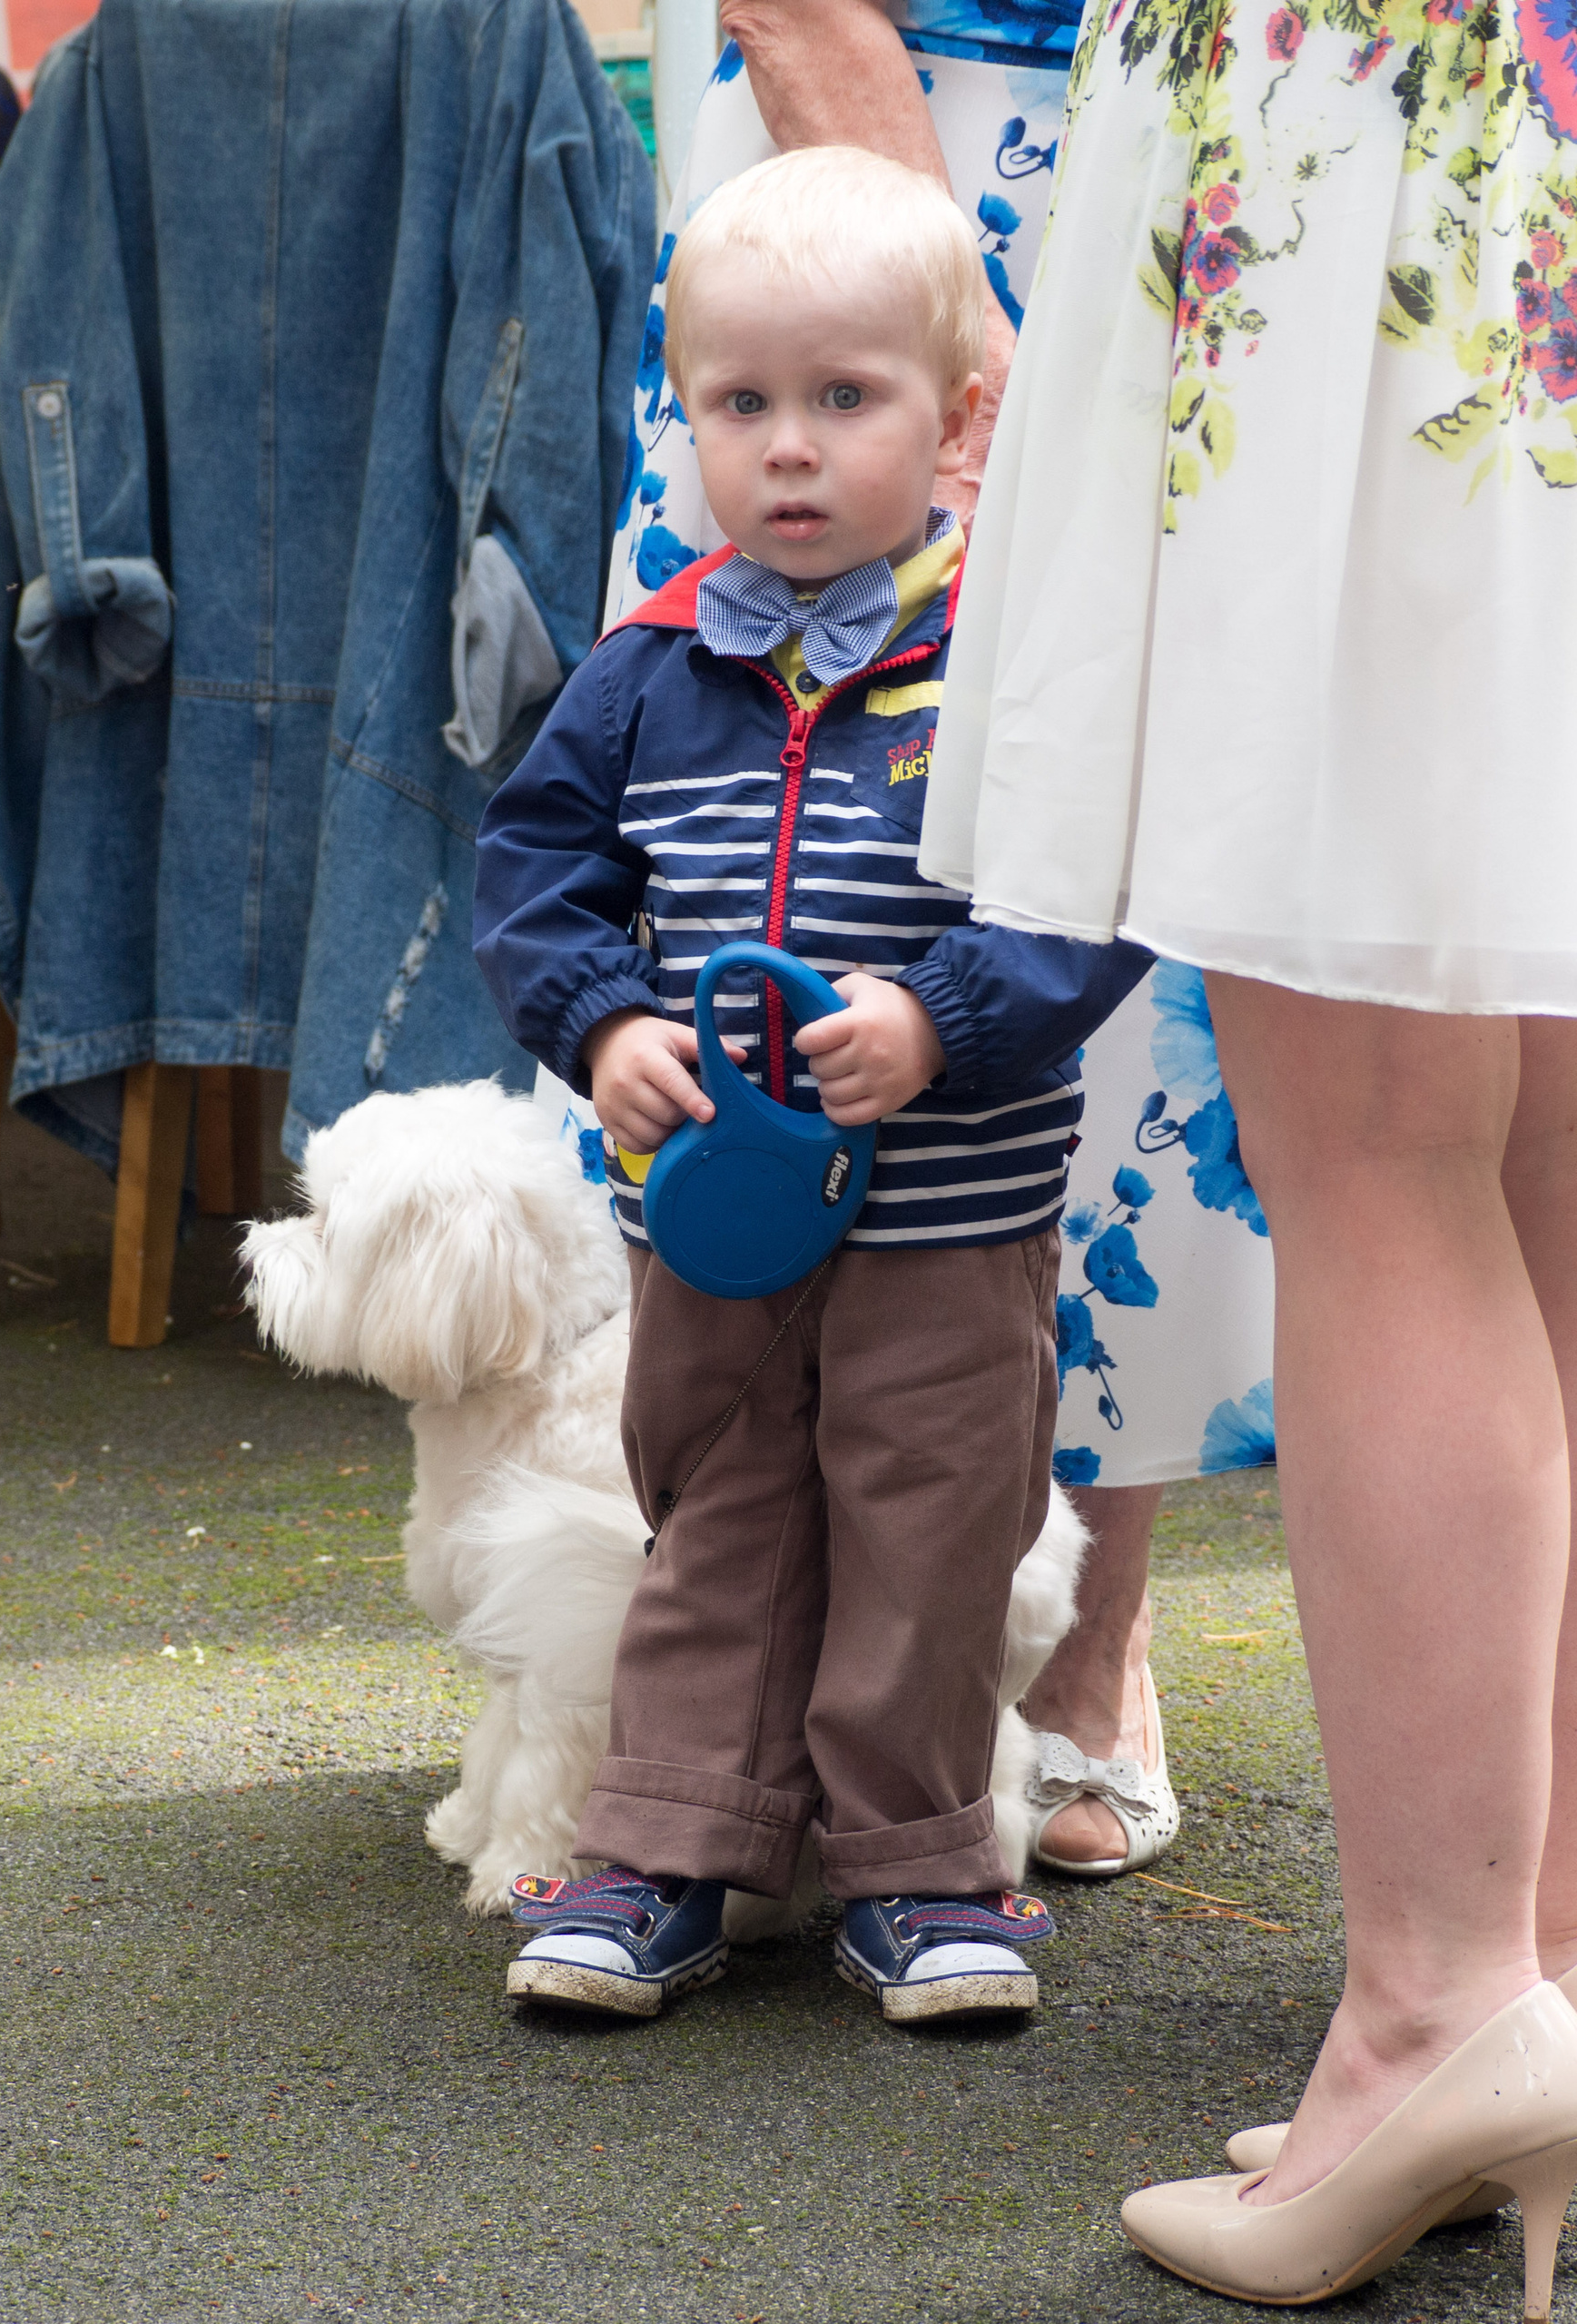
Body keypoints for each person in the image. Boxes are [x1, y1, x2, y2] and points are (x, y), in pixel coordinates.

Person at [922, 0, 1577, 2312]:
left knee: (1385, 1142)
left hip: (1387, 127)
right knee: (1571, 1132)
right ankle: (1560, 1933)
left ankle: (1434, 2005)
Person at [471, 147, 1149, 2029]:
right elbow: (534, 878)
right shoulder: (643, 667)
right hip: (709, 1217)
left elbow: (1086, 891)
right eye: (737, 403)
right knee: (715, 1509)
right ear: (681, 414)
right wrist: (607, 1023)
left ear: (956, 418)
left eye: (842, 400)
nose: (785, 448)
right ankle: (676, 1841)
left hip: (946, 1223)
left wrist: (943, 1015)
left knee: (934, 1526)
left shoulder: (1001, 664)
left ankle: (919, 1864)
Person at [612, 0, 1282, 1887]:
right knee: (728, 836)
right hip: (881, 189)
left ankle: (1084, 1624)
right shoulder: (826, 394)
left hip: (1232, 162)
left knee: (1123, 930)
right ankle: (708, 1726)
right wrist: (965, 342)